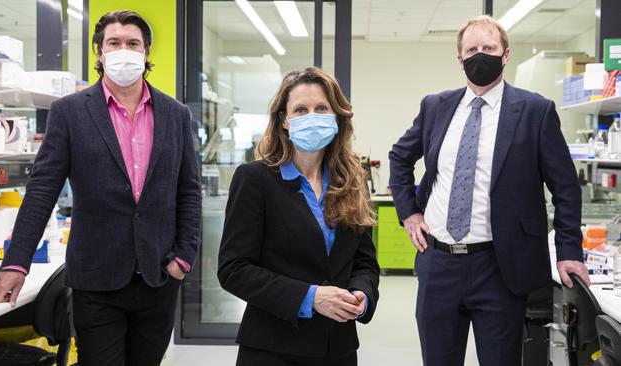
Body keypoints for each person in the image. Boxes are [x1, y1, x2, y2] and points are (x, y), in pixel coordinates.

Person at [0, 10, 201, 366]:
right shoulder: (69, 112)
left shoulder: (175, 114)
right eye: (114, 43)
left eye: (133, 43)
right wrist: (16, 263)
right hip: (96, 279)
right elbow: (42, 190)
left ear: (146, 53)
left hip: (159, 276)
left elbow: (188, 191)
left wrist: (184, 258)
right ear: (100, 53)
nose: (124, 50)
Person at [388, 15, 589, 366]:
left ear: (505, 54)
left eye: (489, 48)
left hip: (499, 267)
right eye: (472, 49)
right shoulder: (436, 106)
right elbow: (399, 157)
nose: (480, 55)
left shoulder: (535, 111)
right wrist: (408, 212)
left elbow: (566, 187)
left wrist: (568, 249)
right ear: (460, 58)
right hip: (438, 263)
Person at [218, 66, 380, 366]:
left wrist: (361, 295)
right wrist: (311, 297)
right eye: (300, 110)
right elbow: (234, 269)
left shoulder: (352, 181)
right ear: (284, 121)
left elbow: (365, 263)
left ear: (336, 117)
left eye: (321, 108)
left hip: (338, 348)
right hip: (272, 348)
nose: (312, 117)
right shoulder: (255, 180)